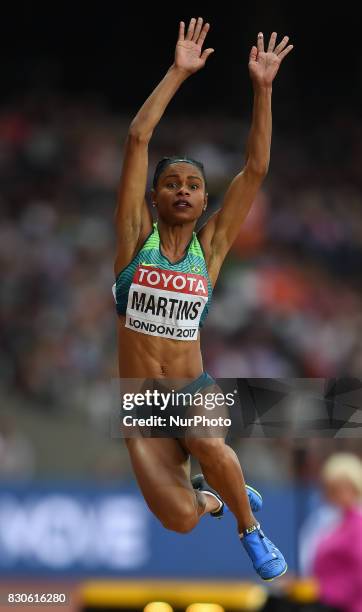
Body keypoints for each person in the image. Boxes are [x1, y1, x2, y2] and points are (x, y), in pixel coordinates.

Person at [113, 16, 293, 580]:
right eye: (172, 184)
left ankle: (251, 530)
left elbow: (257, 168)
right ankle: (216, 497)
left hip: (194, 390)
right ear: (155, 196)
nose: (184, 190)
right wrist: (177, 71)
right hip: (141, 406)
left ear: (203, 199)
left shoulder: (209, 250)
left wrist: (262, 90)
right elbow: (139, 137)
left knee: (205, 437)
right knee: (180, 520)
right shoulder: (131, 245)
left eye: (193, 185)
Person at [312, 453, 362, 612]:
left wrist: (325, 591)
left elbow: (358, 574)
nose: (336, 494)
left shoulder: (357, 524)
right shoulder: (330, 522)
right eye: (332, 489)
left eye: (342, 487)